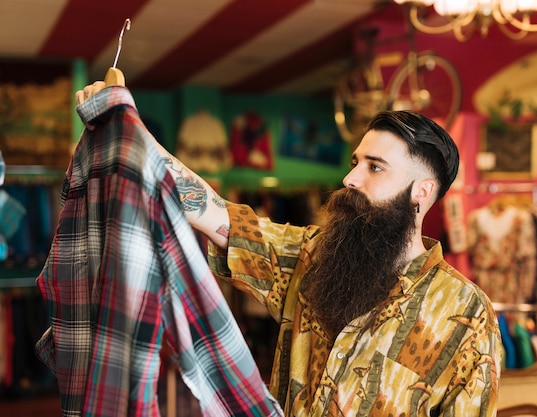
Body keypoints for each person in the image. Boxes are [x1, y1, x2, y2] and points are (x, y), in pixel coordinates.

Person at [77, 82, 502, 416]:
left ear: (421, 191)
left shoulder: (466, 314)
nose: (351, 178)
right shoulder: (312, 256)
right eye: (355, 162)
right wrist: (126, 127)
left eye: (375, 167)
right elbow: (217, 214)